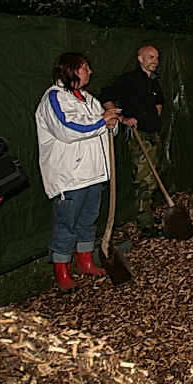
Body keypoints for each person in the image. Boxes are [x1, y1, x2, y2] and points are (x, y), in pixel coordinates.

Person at [35, 52, 121, 292]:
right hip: (69, 176)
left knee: (88, 220)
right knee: (66, 224)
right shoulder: (53, 99)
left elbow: (101, 128)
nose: (90, 72)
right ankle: (62, 271)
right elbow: (68, 129)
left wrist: (111, 124)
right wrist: (101, 122)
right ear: (72, 70)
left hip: (93, 173)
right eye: (85, 67)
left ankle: (85, 262)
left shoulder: (87, 98)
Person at [100, 45, 165, 239]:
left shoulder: (153, 81)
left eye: (157, 58)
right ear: (140, 58)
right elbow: (106, 96)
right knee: (144, 179)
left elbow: (159, 103)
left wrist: (154, 115)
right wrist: (122, 118)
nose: (155, 61)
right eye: (151, 57)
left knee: (153, 177)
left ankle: (148, 216)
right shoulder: (128, 80)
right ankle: (145, 225)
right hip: (139, 136)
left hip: (154, 133)